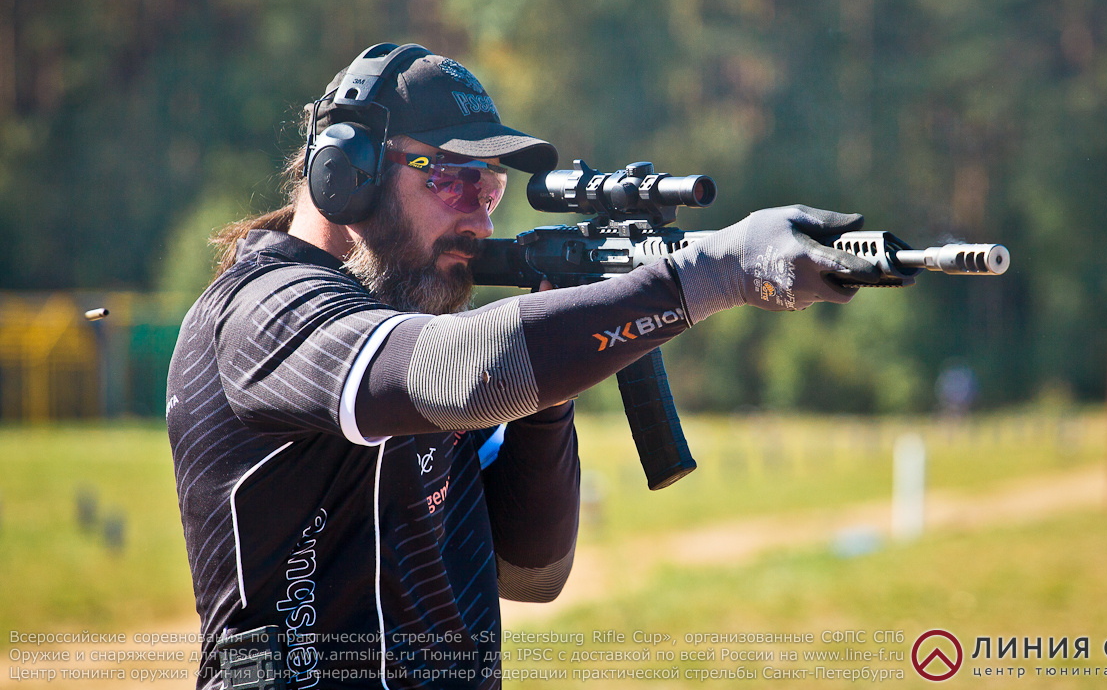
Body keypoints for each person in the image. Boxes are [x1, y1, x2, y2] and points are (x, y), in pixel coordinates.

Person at [166, 42, 880, 689]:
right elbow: (447, 373)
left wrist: (546, 400)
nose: (480, 221)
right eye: (453, 181)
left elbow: (533, 572)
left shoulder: (410, 325)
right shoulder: (262, 308)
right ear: (346, 173)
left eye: (490, 189)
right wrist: (713, 274)